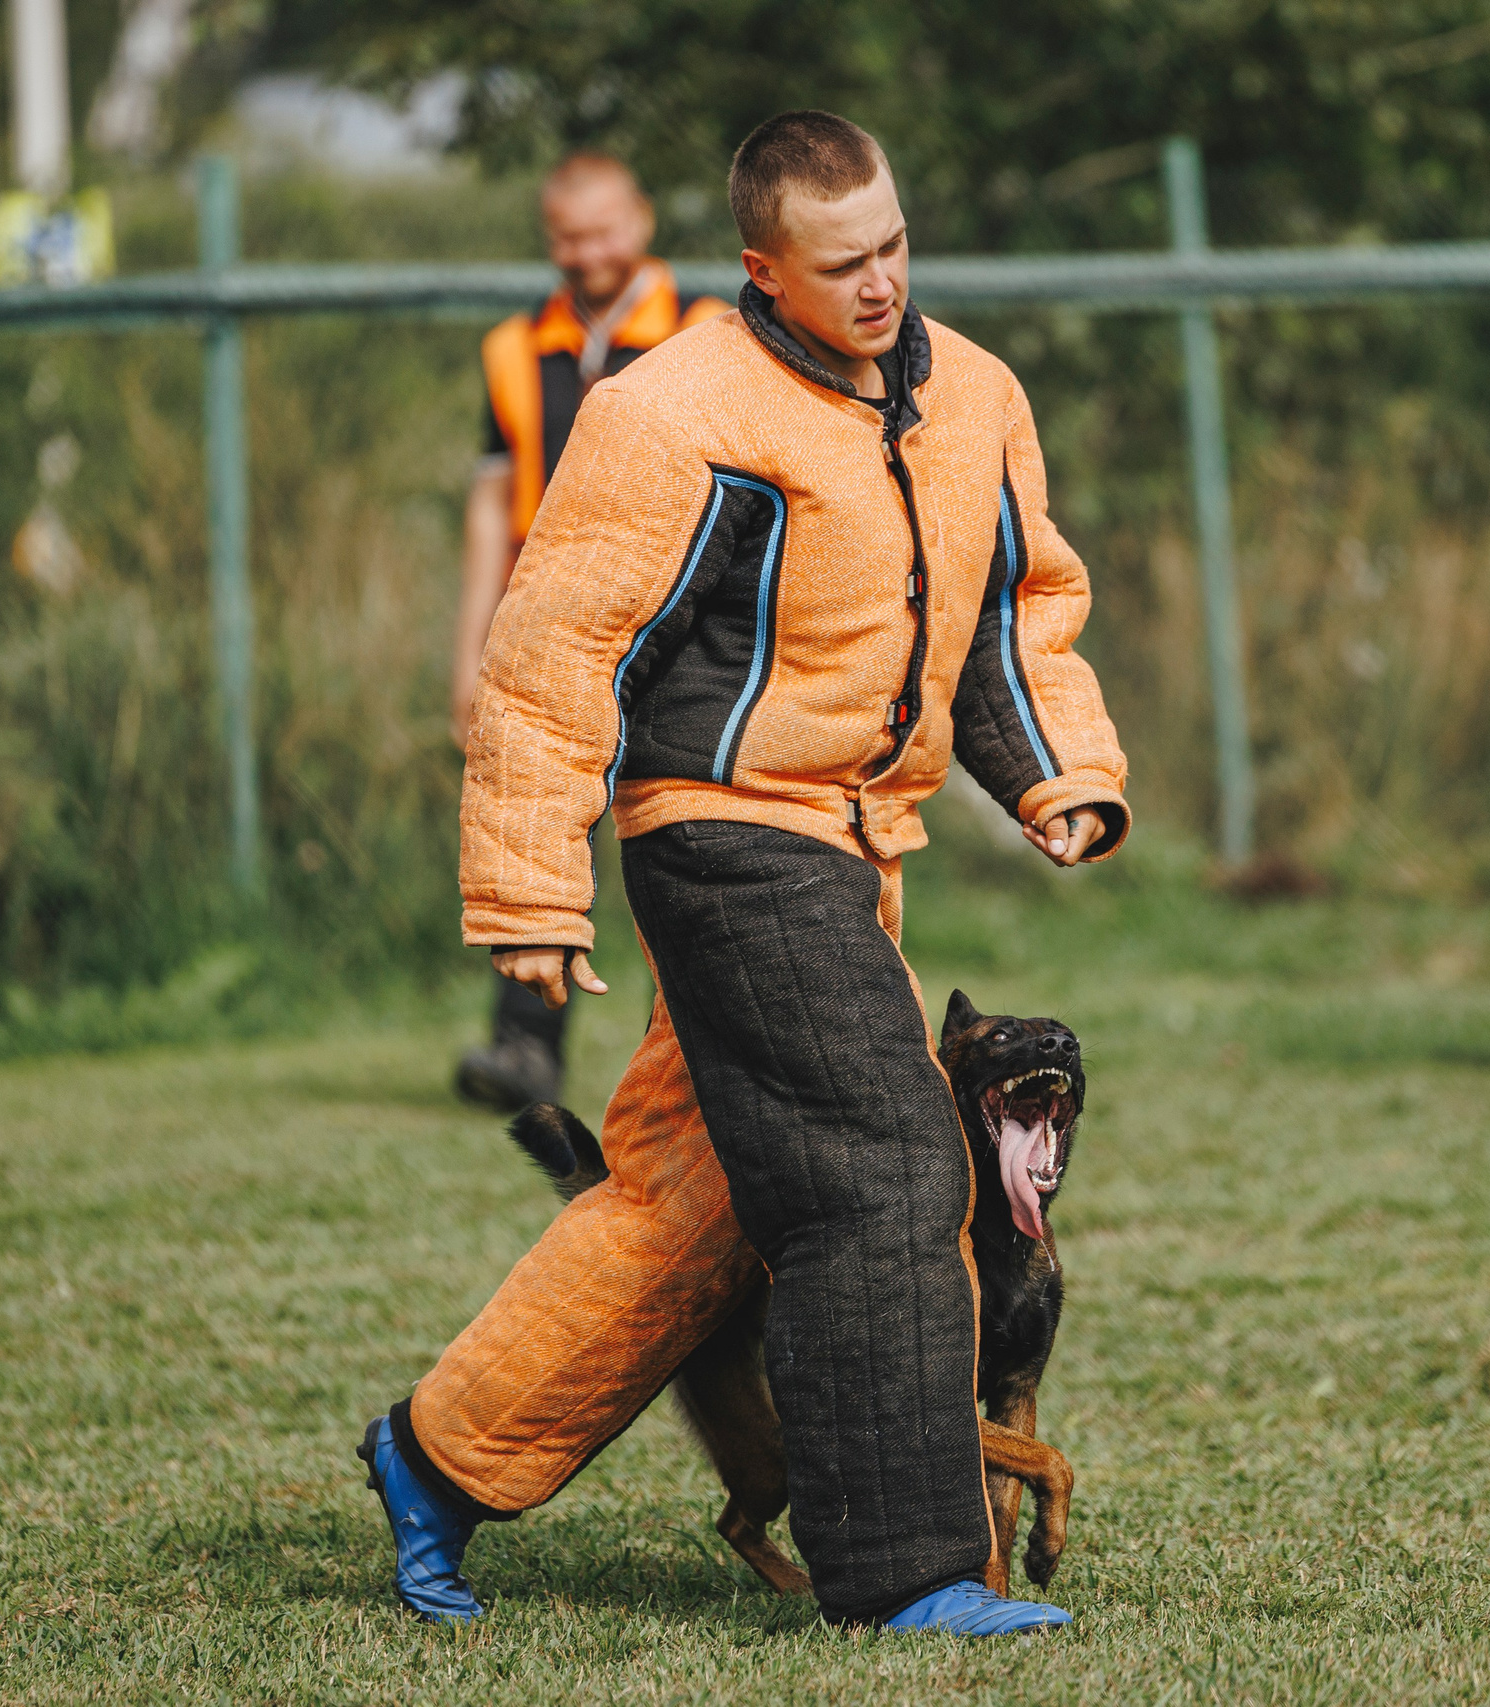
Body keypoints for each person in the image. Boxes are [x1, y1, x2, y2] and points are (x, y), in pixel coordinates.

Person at [358, 110, 1130, 1635]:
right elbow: (557, 648)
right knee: (888, 1164)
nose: (881, 283)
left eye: (896, 246)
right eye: (843, 261)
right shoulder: (669, 413)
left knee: (676, 1212)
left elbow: (1008, 609)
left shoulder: (972, 396)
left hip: (858, 845)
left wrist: (1057, 770)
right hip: (721, 836)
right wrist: (529, 884)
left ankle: (435, 1461)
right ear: (762, 266)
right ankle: (908, 1568)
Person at [451, 152, 730, 1113]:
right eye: (570, 234)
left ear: (643, 220)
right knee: (534, 828)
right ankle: (523, 1050)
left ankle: (693, 1055)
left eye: (606, 228)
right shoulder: (511, 350)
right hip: (552, 630)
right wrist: (472, 651)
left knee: (686, 837)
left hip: (682, 626)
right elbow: (493, 508)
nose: (590, 250)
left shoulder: (710, 331)